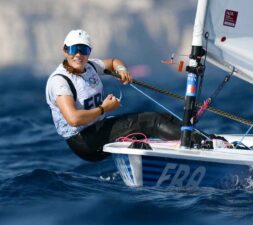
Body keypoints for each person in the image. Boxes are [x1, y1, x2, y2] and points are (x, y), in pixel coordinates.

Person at [46, 29, 196, 162]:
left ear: (89, 52)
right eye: (74, 49)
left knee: (163, 117)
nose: (78, 55)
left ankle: (198, 136)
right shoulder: (60, 81)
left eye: (83, 50)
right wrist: (104, 109)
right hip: (84, 142)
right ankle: (196, 143)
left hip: (97, 129)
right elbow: (73, 119)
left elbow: (112, 62)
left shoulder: (90, 66)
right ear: (65, 51)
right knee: (152, 122)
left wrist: (121, 69)